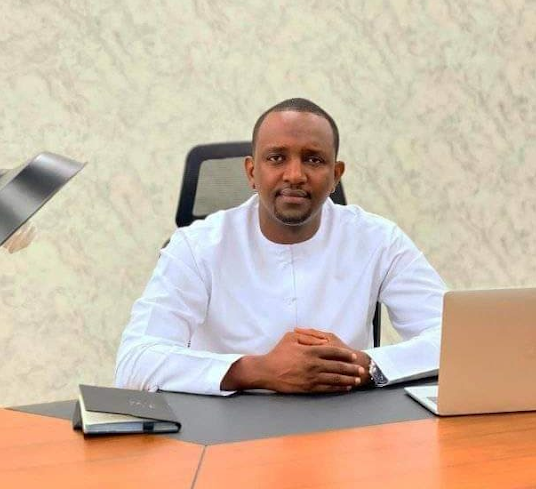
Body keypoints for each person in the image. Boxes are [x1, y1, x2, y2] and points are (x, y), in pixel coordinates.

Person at [115, 98, 445, 396]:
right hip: (227, 430)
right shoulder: (196, 246)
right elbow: (135, 361)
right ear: (251, 172)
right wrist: (256, 371)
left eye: (313, 159)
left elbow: (455, 339)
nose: (295, 175)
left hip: (346, 423)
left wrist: (364, 366)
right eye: (276, 158)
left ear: (335, 175)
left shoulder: (378, 239)